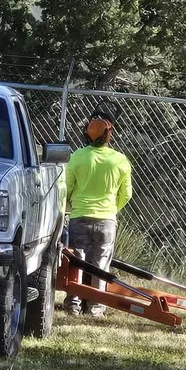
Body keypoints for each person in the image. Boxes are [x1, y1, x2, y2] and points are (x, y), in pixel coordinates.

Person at [64, 108, 132, 317]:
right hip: (107, 219)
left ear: (87, 133)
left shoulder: (77, 157)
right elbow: (126, 194)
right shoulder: (120, 160)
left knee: (77, 260)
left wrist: (71, 206)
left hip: (79, 216)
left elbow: (67, 188)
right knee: (101, 262)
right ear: (109, 135)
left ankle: (74, 303)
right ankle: (95, 307)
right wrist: (112, 209)